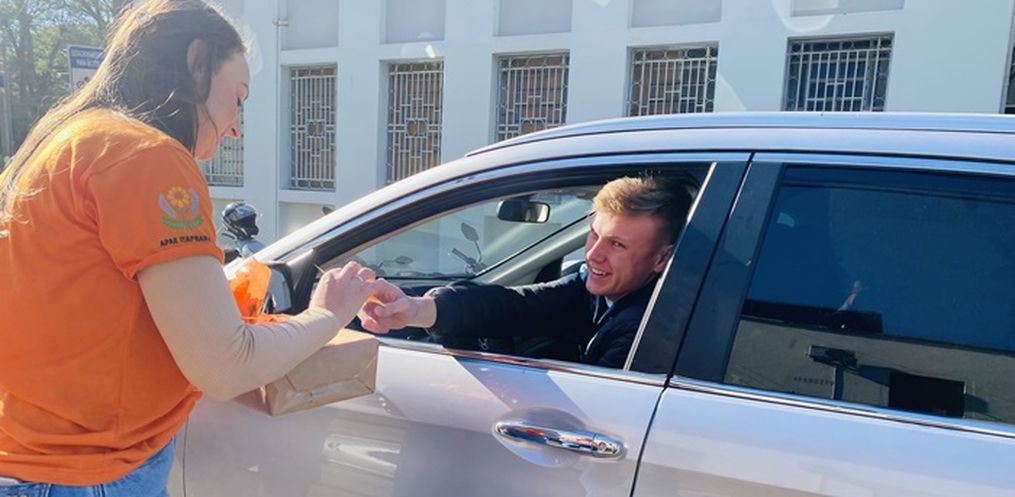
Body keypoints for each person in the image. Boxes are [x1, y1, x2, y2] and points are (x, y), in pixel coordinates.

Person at [0, 1, 379, 495]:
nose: (237, 127)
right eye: (238, 98)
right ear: (196, 61)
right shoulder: (146, 155)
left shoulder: (64, 142)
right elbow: (227, 366)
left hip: (34, 459)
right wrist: (328, 314)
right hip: (86, 475)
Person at [359, 176, 693, 368]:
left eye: (617, 245)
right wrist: (417, 309)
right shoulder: (597, 290)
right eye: (594, 234)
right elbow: (522, 304)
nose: (593, 254)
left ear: (661, 259)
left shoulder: (648, 328)